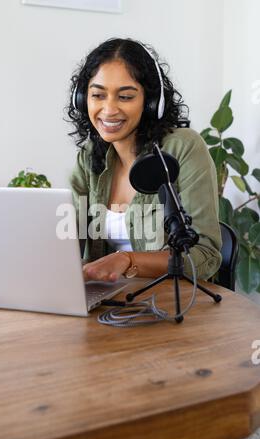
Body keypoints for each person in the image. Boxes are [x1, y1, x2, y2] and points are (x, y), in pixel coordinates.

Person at [67, 38, 222, 283]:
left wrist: (127, 259)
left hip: (173, 303)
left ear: (150, 103)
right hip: (113, 303)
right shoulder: (89, 158)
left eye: (125, 97)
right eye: (97, 95)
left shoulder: (183, 148)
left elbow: (205, 255)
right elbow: (65, 244)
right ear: (82, 99)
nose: (108, 109)